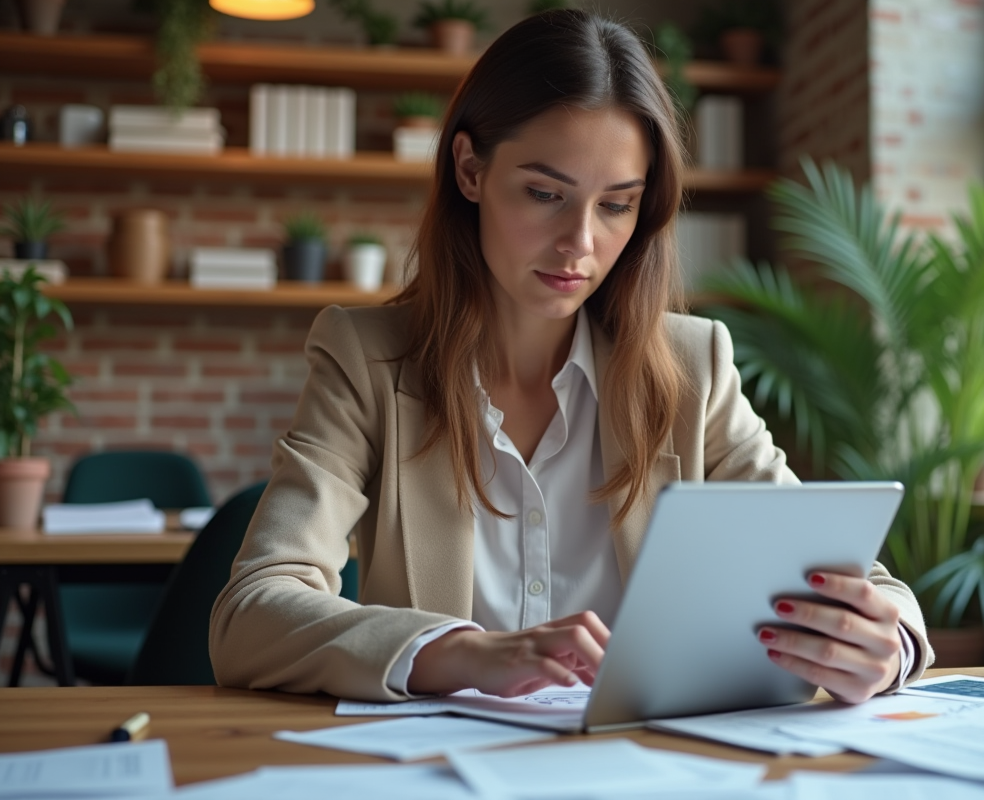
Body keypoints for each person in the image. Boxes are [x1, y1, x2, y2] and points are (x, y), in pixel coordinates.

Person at [209, 9, 932, 705]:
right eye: (544, 193)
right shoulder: (365, 359)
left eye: (616, 205)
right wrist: (462, 654)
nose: (580, 243)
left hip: (652, 761)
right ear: (470, 169)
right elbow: (252, 610)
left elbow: (849, 577)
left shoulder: (693, 367)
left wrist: (887, 642)